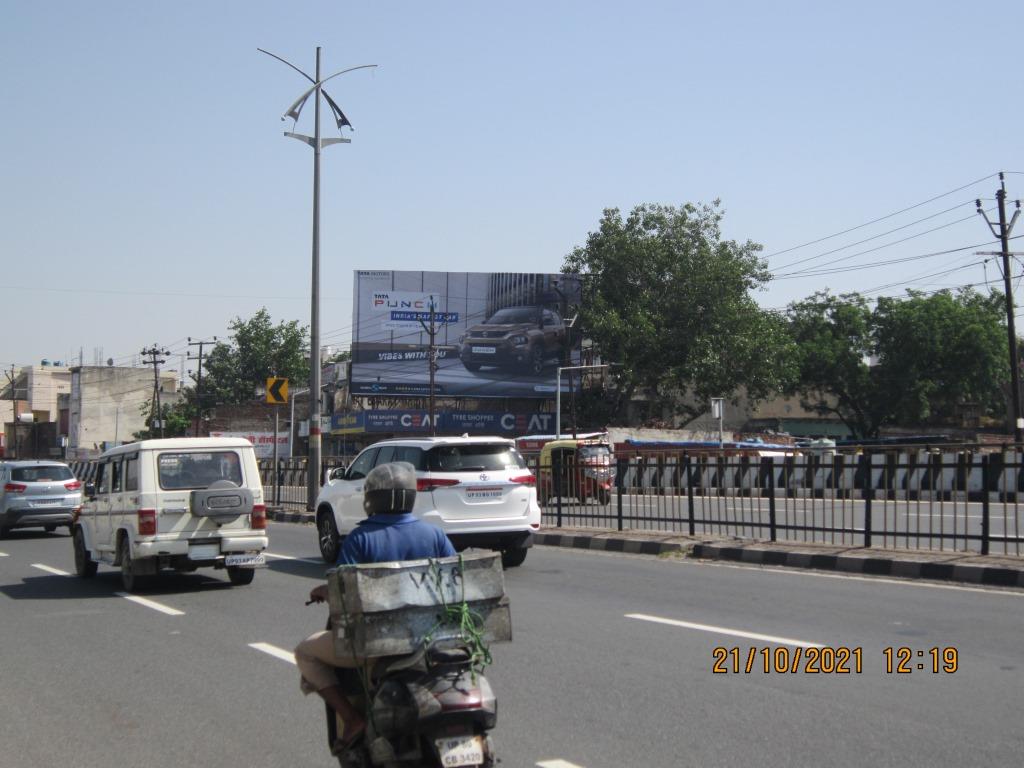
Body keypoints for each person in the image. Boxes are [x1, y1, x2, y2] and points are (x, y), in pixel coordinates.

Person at [294, 462, 456, 752]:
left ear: (370, 499)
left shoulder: (361, 538)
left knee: (305, 651)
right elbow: (457, 584)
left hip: (375, 644)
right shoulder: (435, 536)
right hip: (431, 643)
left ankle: (351, 719)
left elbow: (342, 590)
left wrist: (324, 591)